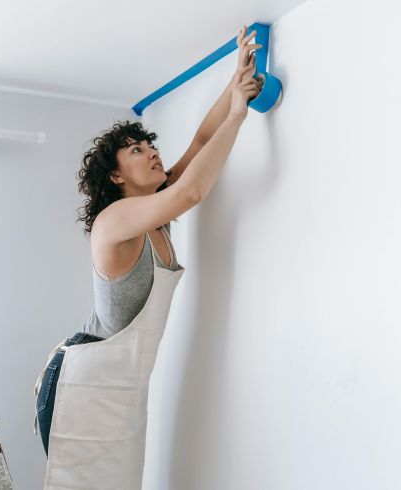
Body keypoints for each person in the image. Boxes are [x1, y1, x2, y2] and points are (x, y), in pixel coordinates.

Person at [34, 25, 264, 460]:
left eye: (148, 144)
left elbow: (199, 142)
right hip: (83, 380)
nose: (151, 151)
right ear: (116, 176)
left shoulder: (157, 213)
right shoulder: (115, 220)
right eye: (135, 151)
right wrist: (237, 114)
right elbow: (191, 192)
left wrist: (237, 82)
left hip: (122, 384)